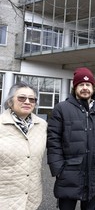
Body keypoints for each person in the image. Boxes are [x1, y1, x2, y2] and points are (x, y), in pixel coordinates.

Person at [47, 67, 95, 210]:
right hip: (68, 173)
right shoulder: (62, 108)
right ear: (75, 87)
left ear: (93, 87)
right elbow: (53, 141)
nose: (85, 88)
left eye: (88, 85)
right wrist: (58, 168)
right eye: (81, 85)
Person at [0, 81, 47, 210]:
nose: (27, 101)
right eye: (21, 98)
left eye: (32, 99)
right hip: (4, 199)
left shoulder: (42, 125)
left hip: (31, 198)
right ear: (10, 101)